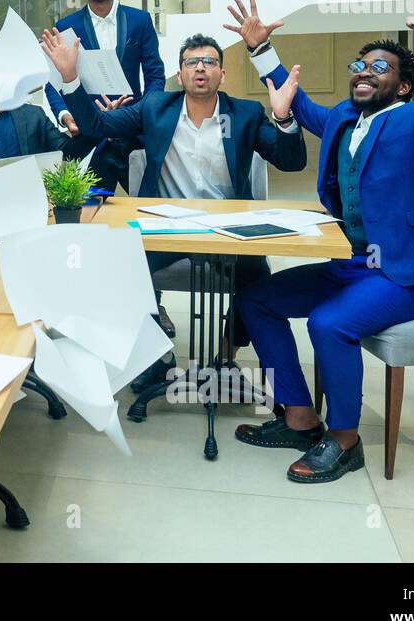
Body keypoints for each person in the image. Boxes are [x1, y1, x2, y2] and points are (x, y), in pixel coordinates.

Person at [226, 0, 414, 483]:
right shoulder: (342, 117)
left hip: (406, 276)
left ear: (403, 86)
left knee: (327, 324)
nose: (363, 71)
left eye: (379, 67)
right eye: (359, 66)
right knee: (256, 300)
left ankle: (344, 439)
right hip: (349, 266)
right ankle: (298, 416)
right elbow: (298, 103)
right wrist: (259, 49)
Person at [42, 28, 306, 384]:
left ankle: (225, 356)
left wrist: (285, 118)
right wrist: (71, 79)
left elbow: (292, 163)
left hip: (226, 231)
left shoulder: (245, 114)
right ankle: (158, 355)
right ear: (180, 74)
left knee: (258, 281)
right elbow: (97, 125)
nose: (201, 68)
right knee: (123, 268)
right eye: (191, 62)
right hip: (166, 227)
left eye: (210, 61)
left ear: (222, 74)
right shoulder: (156, 108)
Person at [44, 0, 166, 192]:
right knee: (90, 210)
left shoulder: (139, 20)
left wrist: (143, 112)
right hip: (90, 132)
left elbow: (155, 76)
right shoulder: (67, 25)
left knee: (148, 203)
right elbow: (53, 82)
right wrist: (66, 116)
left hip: (134, 129)